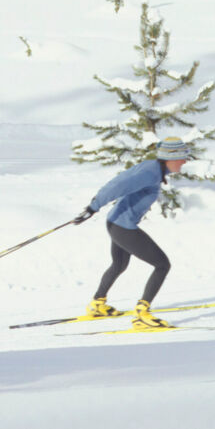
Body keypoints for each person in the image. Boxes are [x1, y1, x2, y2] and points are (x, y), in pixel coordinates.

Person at [72, 137, 191, 329]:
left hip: (116, 223)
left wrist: (94, 207)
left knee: (119, 264)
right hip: (122, 227)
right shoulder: (150, 172)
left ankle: (97, 304)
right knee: (162, 265)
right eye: (183, 157)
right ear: (171, 157)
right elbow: (117, 185)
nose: (185, 161)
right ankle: (142, 314)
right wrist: (93, 207)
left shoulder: (153, 168)